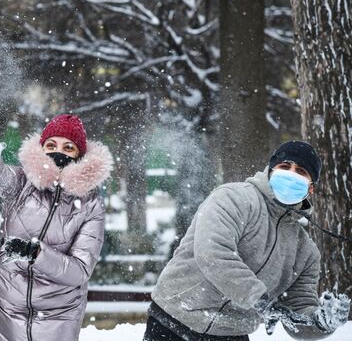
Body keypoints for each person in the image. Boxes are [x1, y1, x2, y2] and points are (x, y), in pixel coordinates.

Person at [144, 140, 350, 341]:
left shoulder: (305, 252)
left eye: (301, 172)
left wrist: (321, 323)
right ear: (270, 170)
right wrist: (260, 300)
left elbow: (298, 309)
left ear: (311, 188)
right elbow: (213, 253)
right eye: (285, 166)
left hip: (230, 334)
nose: (291, 174)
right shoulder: (234, 198)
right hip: (175, 319)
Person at [0, 114, 113, 341]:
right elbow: (1, 177)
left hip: (60, 313)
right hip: (7, 304)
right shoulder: (22, 182)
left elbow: (80, 271)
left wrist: (35, 253)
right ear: (41, 148)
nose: (58, 152)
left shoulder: (90, 204)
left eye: (68, 147)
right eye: (51, 145)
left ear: (80, 155)